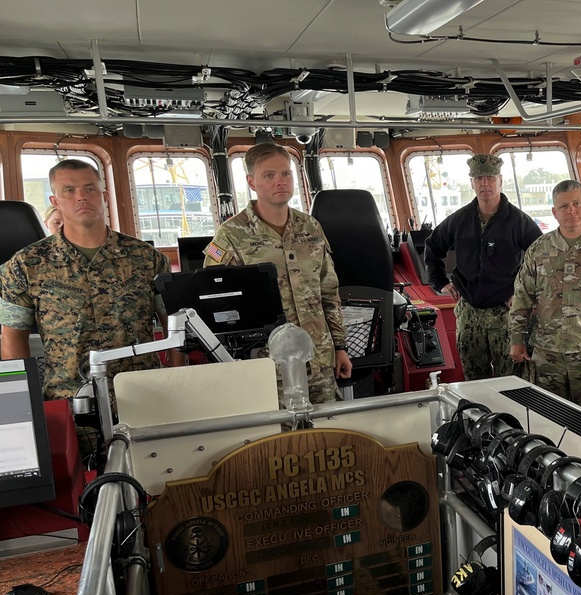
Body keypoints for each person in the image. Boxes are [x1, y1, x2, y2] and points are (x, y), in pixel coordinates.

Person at [0, 159, 177, 403]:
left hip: (144, 396)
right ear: (55, 201)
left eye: (89, 188)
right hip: (69, 400)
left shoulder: (147, 258)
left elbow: (174, 324)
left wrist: (180, 381)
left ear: (104, 195)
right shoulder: (25, 264)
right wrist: (22, 403)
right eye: (69, 191)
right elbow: (13, 336)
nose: (81, 197)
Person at [204, 142, 352, 404]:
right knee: (279, 440)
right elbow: (216, 301)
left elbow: (328, 291)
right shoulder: (231, 235)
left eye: (285, 174)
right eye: (269, 175)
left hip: (318, 356)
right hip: (267, 364)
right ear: (252, 182)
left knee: (328, 433)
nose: (280, 182)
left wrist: (340, 347)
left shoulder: (311, 227)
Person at [509, 180, 581, 417]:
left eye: (577, 204)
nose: (571, 211)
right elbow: (522, 295)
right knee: (548, 420)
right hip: (548, 355)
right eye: (563, 206)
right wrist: (516, 338)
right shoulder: (539, 249)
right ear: (554, 212)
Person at [424, 154, 542, 380]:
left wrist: (523, 294)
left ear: (500, 180)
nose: (484, 183)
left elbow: (542, 258)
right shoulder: (459, 220)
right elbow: (433, 246)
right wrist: (440, 282)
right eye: (478, 178)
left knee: (510, 380)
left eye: (489, 177)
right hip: (469, 313)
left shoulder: (518, 221)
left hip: (506, 314)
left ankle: (509, 416)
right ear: (472, 183)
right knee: (474, 379)